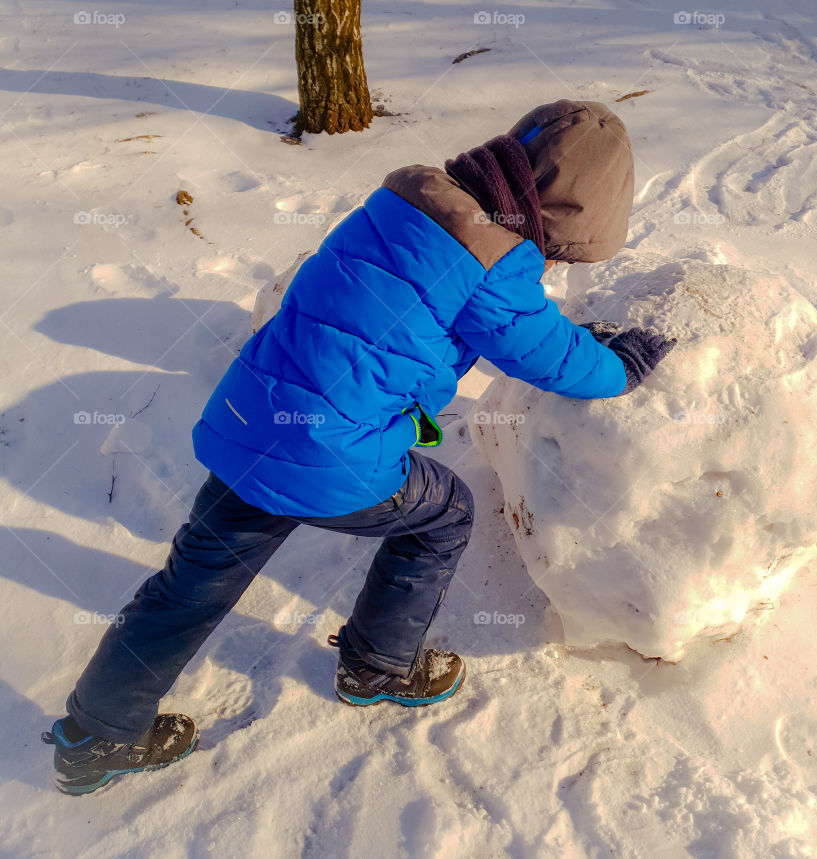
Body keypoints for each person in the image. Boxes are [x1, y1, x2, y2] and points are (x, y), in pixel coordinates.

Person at [42, 99, 675, 796]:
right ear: (562, 218)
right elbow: (547, 353)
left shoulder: (405, 201)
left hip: (251, 417)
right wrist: (619, 365)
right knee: (443, 513)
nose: (552, 262)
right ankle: (380, 665)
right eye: (563, 247)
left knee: (192, 579)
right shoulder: (495, 262)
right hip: (331, 453)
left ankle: (98, 732)